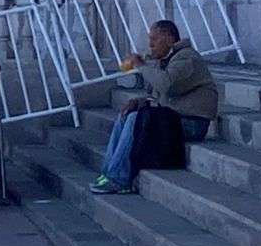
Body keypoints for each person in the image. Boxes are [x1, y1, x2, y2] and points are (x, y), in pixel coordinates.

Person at [91, 20, 218, 194]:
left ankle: (119, 179)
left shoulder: (187, 58)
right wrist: (139, 101)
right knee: (128, 113)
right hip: (174, 119)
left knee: (136, 119)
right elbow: (158, 97)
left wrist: (141, 66)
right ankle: (107, 173)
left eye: (154, 39)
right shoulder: (167, 60)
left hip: (192, 123)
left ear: (170, 38)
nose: (150, 45)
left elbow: (167, 85)